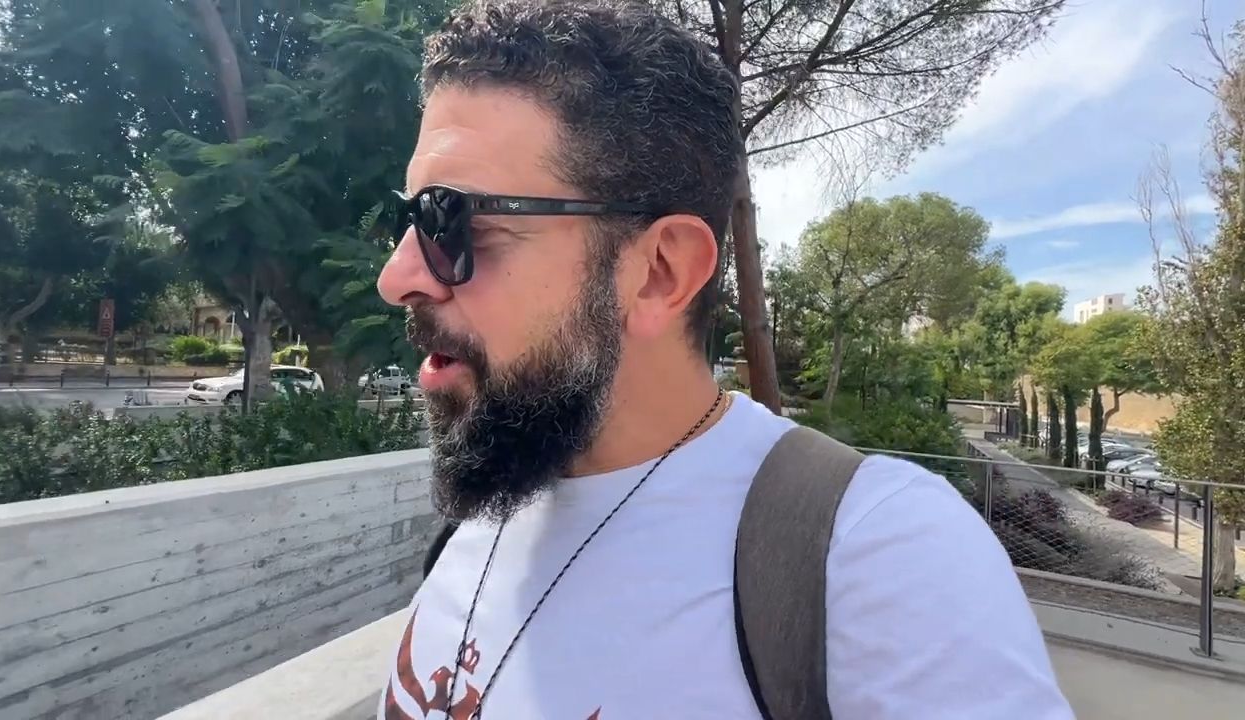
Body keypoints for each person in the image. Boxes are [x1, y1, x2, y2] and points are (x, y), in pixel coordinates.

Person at [375, 1, 1075, 718]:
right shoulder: (492, 496)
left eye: (450, 222)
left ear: (660, 273)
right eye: (408, 219)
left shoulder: (881, 559)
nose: (397, 277)